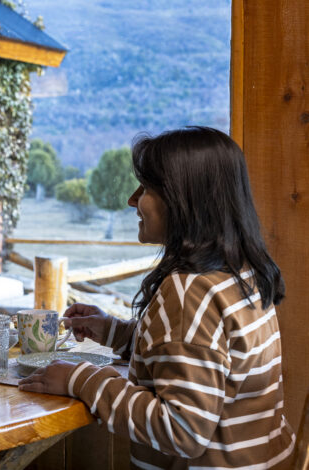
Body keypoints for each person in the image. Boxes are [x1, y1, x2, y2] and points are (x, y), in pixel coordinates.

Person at [18, 127, 295, 469]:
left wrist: (80, 379)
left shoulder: (188, 290)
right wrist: (117, 333)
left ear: (184, 200)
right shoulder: (238, 271)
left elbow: (182, 430)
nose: (132, 200)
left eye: (146, 188)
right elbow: (206, 356)